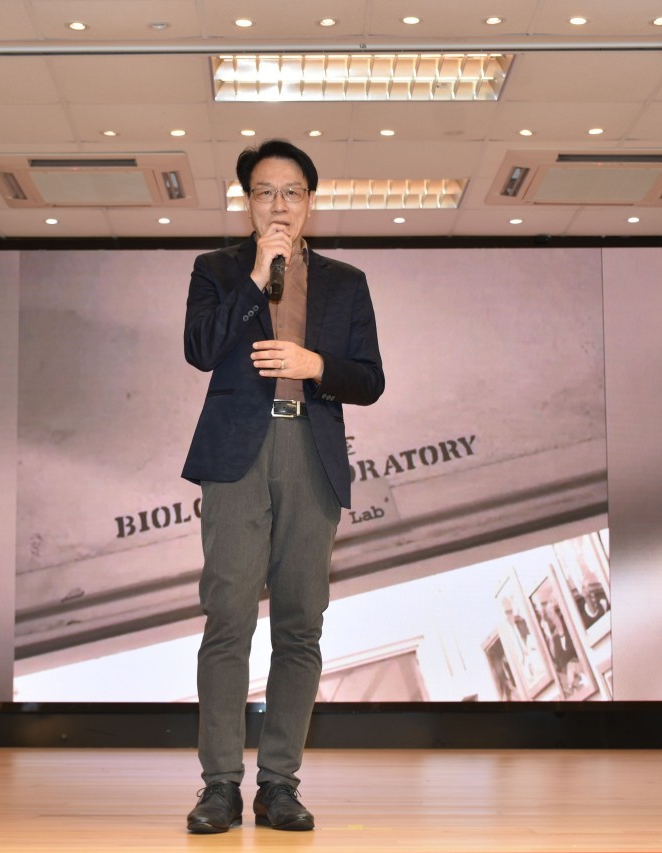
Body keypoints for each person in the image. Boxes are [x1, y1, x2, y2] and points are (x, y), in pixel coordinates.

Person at [180, 139, 385, 833]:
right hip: (237, 455)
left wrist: (313, 363)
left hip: (310, 452)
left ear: (310, 202)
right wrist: (254, 278)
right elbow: (201, 350)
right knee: (228, 618)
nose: (279, 204)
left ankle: (279, 784)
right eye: (265, 192)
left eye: (291, 192)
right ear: (248, 202)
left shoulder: (346, 281)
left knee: (301, 624)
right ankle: (219, 786)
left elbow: (370, 380)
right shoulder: (216, 270)